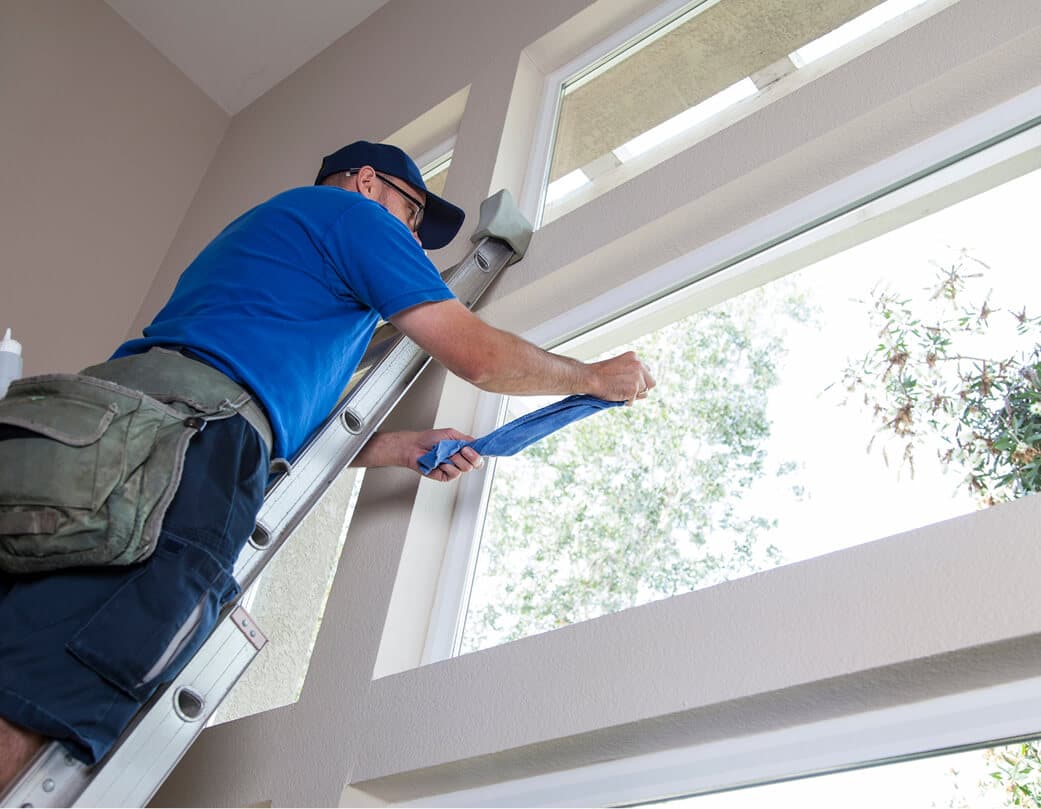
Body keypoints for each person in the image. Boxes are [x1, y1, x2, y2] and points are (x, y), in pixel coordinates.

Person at [0, 140, 654, 789]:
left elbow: (273, 408)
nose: (411, 236)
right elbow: (478, 356)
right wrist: (592, 375)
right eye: (411, 212)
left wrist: (399, 447)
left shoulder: (268, 240)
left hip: (88, 433)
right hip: (182, 450)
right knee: (38, 697)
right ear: (367, 183)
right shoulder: (357, 218)